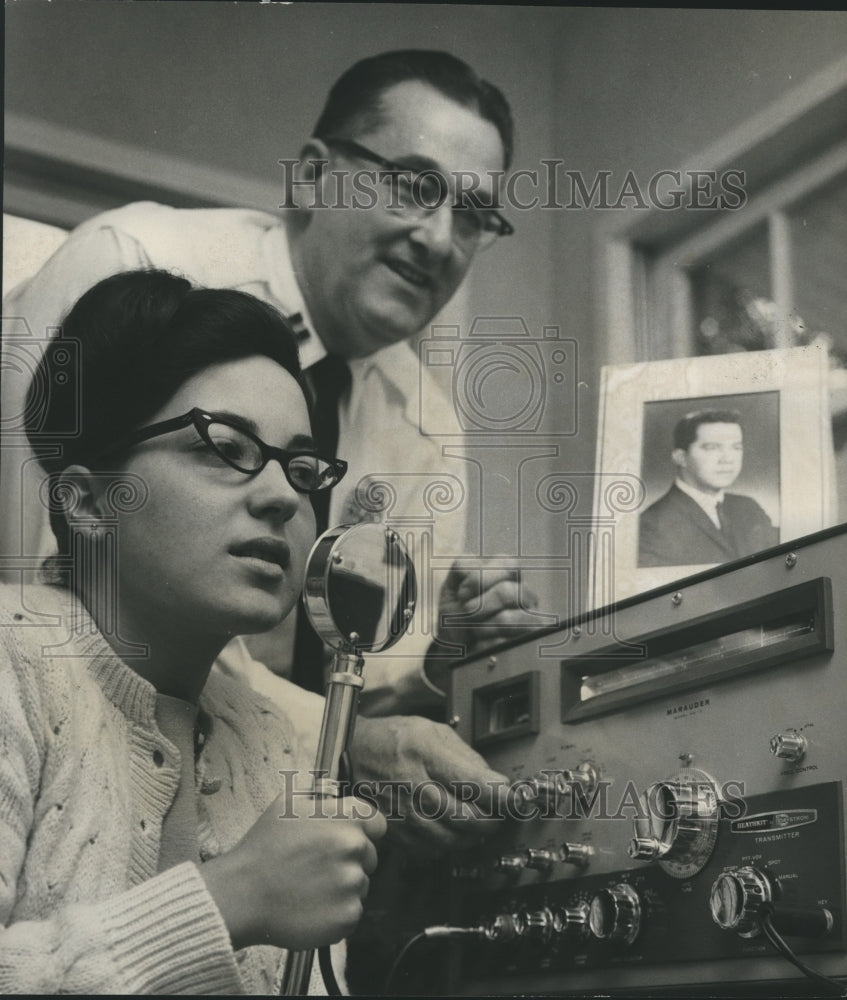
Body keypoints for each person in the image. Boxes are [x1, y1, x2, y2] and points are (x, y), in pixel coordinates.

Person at [0, 48, 532, 719]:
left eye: (473, 214)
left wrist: (440, 648)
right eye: (413, 186)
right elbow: (41, 586)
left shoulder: (427, 426)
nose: (438, 238)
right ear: (311, 175)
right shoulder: (131, 264)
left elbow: (367, 681)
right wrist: (321, 742)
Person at [0, 269, 397, 992]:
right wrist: (228, 900)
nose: (282, 495)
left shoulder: (275, 740)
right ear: (88, 501)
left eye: (302, 467)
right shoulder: (10, 670)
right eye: (224, 447)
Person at [638, 408, 779, 567]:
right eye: (713, 447)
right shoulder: (651, 525)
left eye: (736, 447)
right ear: (681, 458)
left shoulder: (749, 508)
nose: (727, 459)